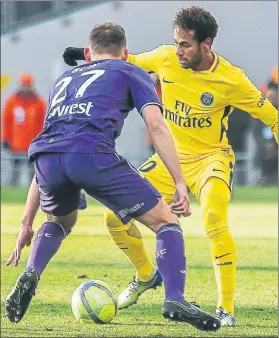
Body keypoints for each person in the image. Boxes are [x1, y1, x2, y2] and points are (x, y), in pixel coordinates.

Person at [62, 6, 278, 327]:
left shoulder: (232, 79)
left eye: (185, 45)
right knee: (113, 217)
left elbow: (272, 118)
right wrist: (84, 53)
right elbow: (126, 59)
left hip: (211, 160)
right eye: (176, 43)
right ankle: (147, 275)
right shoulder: (165, 58)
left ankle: (226, 309)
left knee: (215, 219)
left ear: (206, 44)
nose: (177, 51)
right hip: (169, 160)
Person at [5, 22, 221, 332]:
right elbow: (157, 127)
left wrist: (26, 223)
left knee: (58, 222)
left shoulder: (64, 79)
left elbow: (52, 142)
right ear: (125, 53)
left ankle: (31, 273)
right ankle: (175, 299)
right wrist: (178, 182)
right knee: (165, 221)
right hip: (92, 154)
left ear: (89, 53)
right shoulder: (130, 71)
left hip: (47, 158)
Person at [1, 73, 46, 186]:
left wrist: (42, 140)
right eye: (24, 85)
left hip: (33, 145)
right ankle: (13, 191)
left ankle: (33, 196)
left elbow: (43, 123)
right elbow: (6, 121)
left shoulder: (39, 103)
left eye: (28, 85)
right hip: (16, 145)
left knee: (34, 174)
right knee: (14, 172)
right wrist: (6, 139)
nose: (26, 88)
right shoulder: (12, 102)